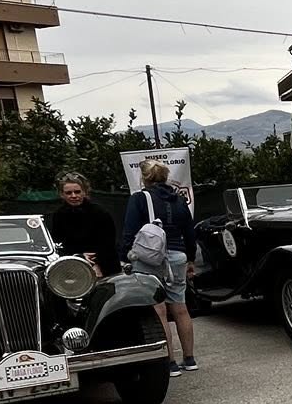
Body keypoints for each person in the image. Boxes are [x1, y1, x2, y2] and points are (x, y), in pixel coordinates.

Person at [121, 160, 199, 374]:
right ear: (165, 177)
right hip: (178, 256)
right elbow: (189, 232)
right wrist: (190, 259)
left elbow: (129, 230)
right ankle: (190, 359)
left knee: (158, 310)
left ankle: (169, 363)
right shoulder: (179, 199)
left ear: (144, 178)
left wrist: (124, 257)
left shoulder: (139, 198)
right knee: (180, 308)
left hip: (149, 258)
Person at [47, 171, 118, 277]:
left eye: (77, 192)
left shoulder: (100, 213)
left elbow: (109, 243)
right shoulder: (58, 215)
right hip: (72, 268)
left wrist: (98, 263)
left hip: (104, 267)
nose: (73, 196)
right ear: (62, 194)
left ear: (84, 192)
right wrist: (79, 256)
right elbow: (58, 244)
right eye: (68, 193)